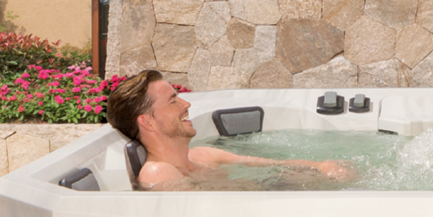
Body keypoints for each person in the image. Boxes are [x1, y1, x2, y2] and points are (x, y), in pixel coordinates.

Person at [106, 70, 351, 190]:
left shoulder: (202, 155)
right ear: (147, 122)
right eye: (173, 101)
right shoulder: (158, 174)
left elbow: (271, 163)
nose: (186, 104)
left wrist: (318, 166)